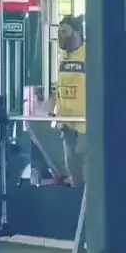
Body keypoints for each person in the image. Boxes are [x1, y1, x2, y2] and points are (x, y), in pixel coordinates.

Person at [49, 15, 86, 187]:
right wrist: (52, 108)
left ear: (76, 33)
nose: (60, 35)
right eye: (59, 31)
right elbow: (59, 88)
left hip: (84, 125)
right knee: (71, 166)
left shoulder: (88, 56)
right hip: (66, 124)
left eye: (64, 31)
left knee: (84, 168)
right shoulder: (63, 59)